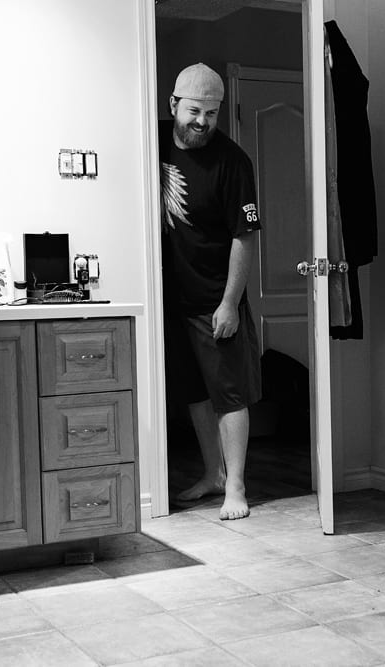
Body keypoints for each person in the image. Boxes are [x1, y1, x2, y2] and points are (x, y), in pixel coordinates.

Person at [159, 63, 262, 521]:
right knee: (194, 393)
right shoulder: (153, 140)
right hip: (170, 296)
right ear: (174, 105)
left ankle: (236, 486)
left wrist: (229, 303)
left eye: (212, 113)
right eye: (194, 111)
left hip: (214, 299)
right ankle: (211, 475)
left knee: (228, 394)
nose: (202, 121)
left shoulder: (233, 161)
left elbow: (245, 236)